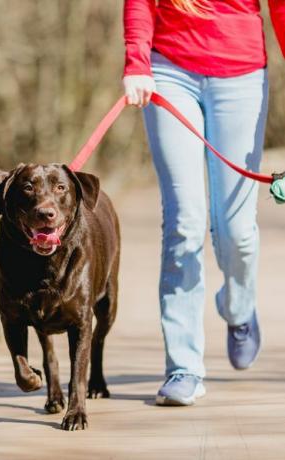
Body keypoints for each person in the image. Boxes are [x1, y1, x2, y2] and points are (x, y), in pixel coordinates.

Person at [123, 0, 285, 406]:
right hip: (169, 69)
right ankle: (184, 367)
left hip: (242, 74)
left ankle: (238, 307)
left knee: (235, 230)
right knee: (185, 221)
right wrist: (137, 62)